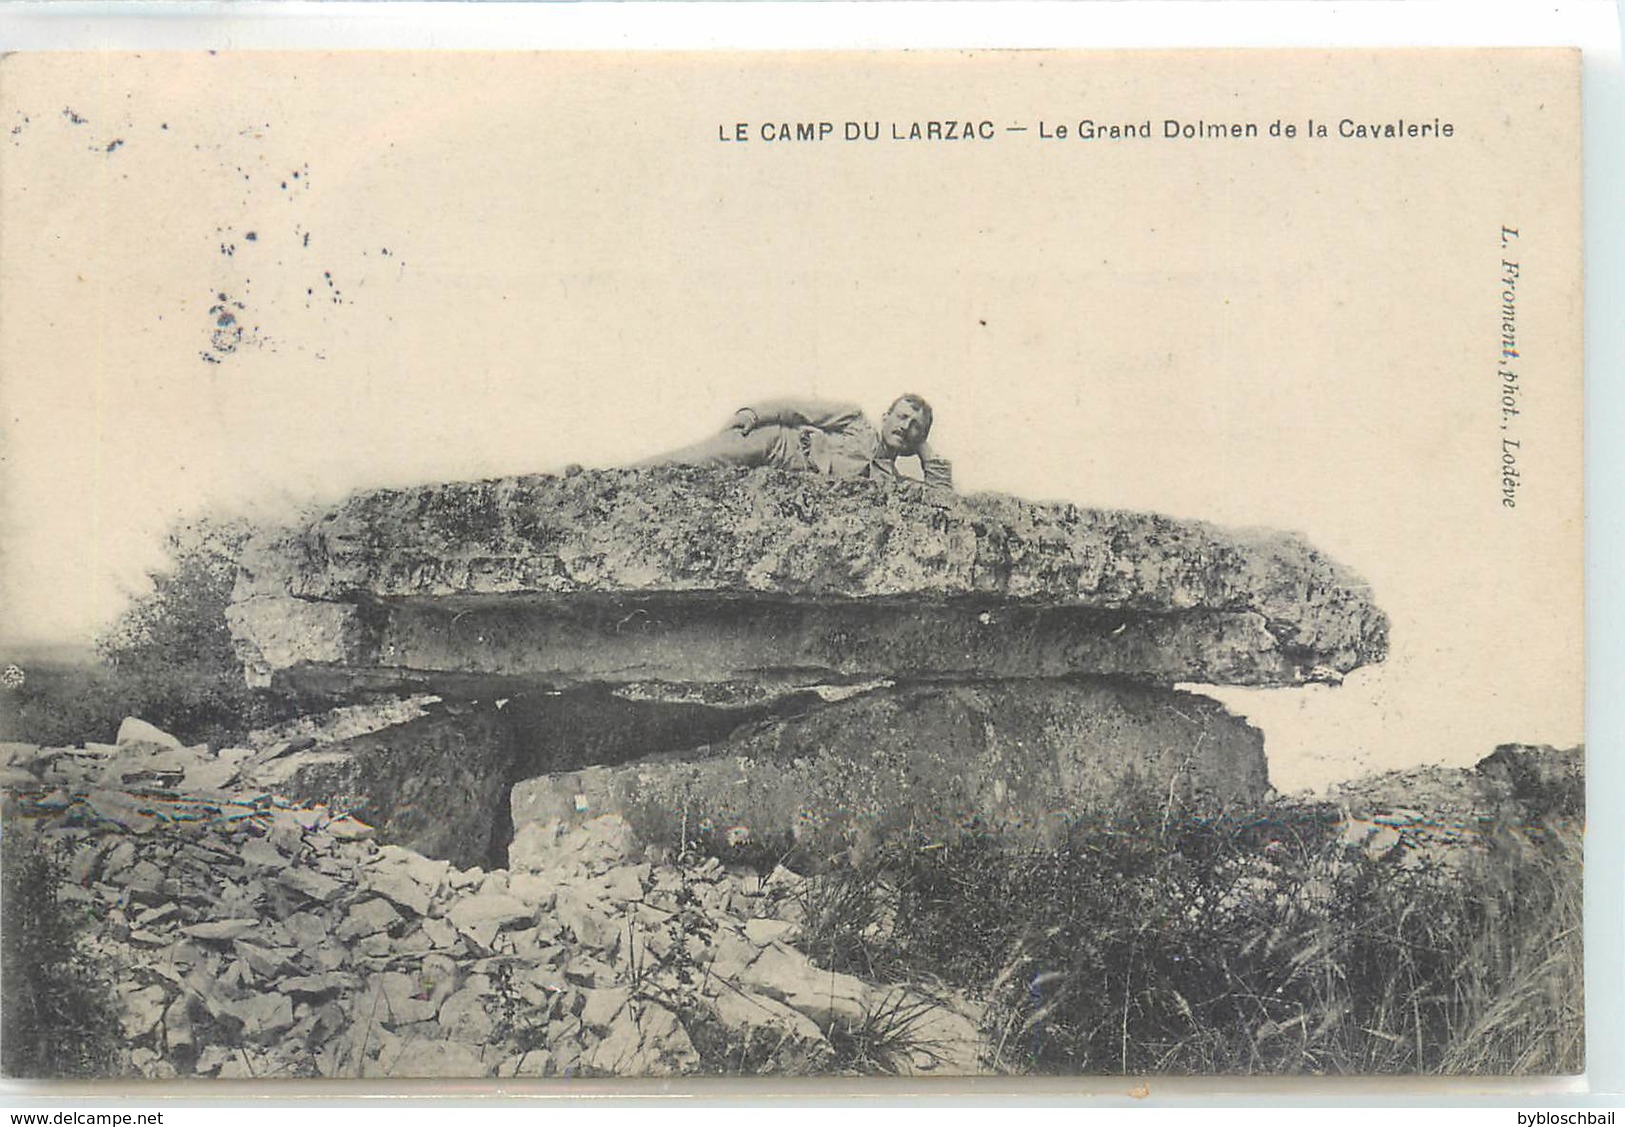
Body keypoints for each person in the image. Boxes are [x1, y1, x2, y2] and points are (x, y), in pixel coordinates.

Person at [638, 394, 953, 490]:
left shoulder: (890, 480)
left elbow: (943, 498)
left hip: (787, 479)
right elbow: (797, 409)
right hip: (776, 444)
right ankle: (627, 474)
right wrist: (753, 415)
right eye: (901, 417)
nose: (905, 426)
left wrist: (924, 448)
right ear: (886, 416)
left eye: (915, 426)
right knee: (690, 463)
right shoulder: (854, 419)